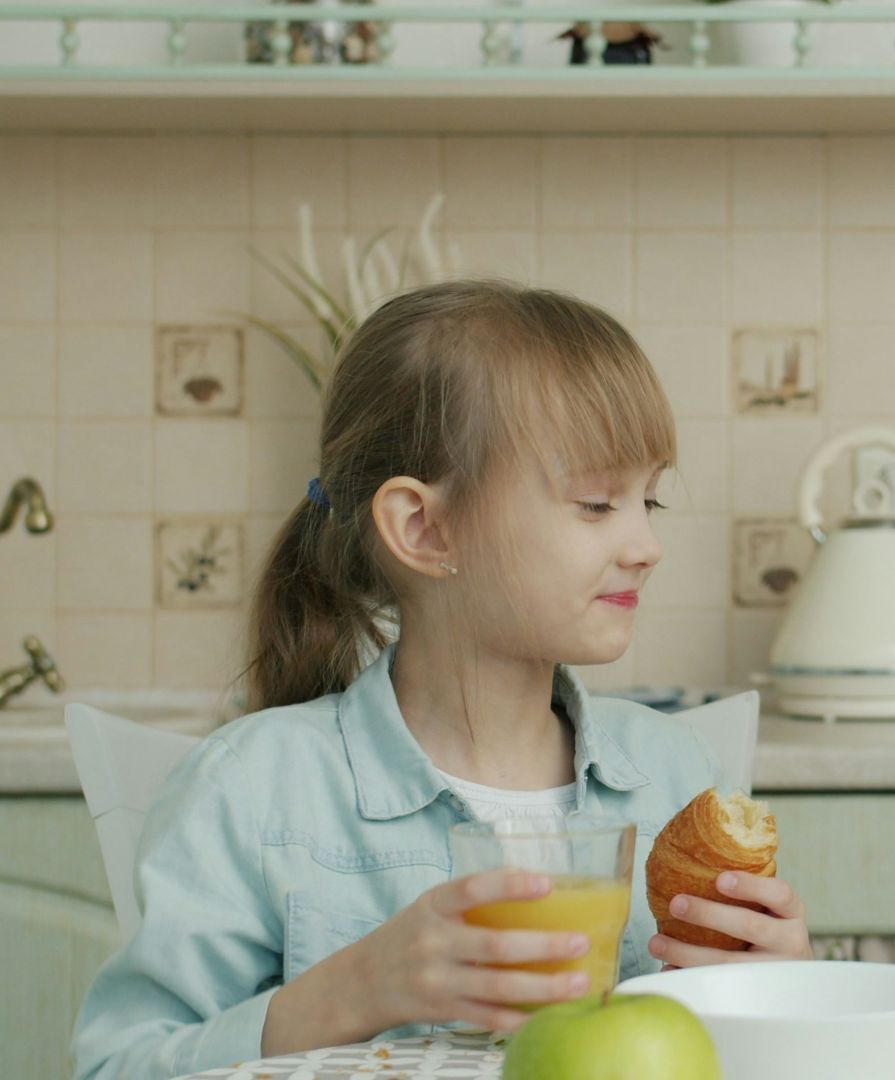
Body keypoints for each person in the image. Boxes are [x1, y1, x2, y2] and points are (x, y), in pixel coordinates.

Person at [73, 281, 811, 1080]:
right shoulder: (251, 790)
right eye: (597, 503)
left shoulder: (675, 775)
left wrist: (781, 995)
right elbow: (118, 1066)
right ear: (424, 528)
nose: (645, 545)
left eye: (650, 499)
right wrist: (352, 989)